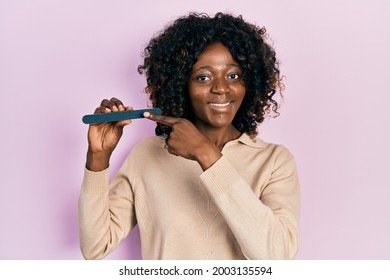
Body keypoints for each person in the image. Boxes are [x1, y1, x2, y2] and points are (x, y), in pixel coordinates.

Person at [78, 12, 300, 260]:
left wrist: (206, 155)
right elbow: (95, 246)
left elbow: (276, 256)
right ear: (181, 84)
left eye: (233, 75)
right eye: (203, 77)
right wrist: (98, 157)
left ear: (250, 82)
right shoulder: (146, 155)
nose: (221, 88)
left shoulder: (274, 162)